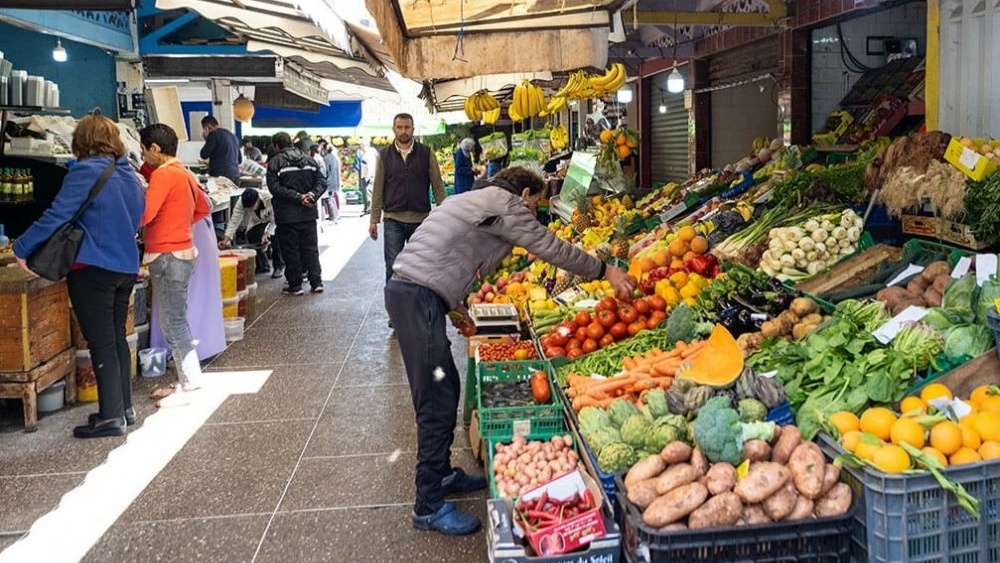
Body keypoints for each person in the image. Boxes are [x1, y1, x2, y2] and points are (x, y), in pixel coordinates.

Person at [386, 166, 635, 535]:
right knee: (436, 398)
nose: (534, 211)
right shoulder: (507, 203)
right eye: (535, 202)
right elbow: (550, 246)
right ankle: (428, 504)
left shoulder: (474, 198)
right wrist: (604, 270)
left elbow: (442, 251)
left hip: (414, 293)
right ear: (525, 193)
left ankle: (440, 474)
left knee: (447, 383)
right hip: (417, 298)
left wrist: (454, 306)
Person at [13, 114, 145, 438]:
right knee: (115, 338)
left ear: (81, 142)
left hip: (93, 269)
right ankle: (123, 408)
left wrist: (23, 246)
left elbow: (58, 214)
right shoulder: (131, 176)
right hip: (125, 267)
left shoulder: (86, 171)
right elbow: (139, 217)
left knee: (100, 341)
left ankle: (111, 417)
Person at [140, 123, 212, 406]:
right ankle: (187, 378)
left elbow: (145, 215)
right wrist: (178, 223)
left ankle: (190, 383)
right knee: (176, 319)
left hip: (166, 254)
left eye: (145, 150)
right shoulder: (185, 172)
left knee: (173, 322)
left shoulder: (162, 175)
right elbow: (203, 208)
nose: (144, 156)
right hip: (183, 250)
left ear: (155, 149)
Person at [369, 113, 446, 287]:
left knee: (421, 267)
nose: (403, 131)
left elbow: (438, 186)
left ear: (413, 129)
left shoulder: (426, 154)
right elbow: (378, 189)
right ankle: (395, 310)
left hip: (421, 220)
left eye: (407, 127)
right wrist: (374, 220)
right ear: (394, 129)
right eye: (400, 127)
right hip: (393, 220)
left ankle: (418, 307)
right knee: (393, 266)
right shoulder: (384, 155)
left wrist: (445, 215)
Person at [267, 132, 326, 295]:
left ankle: (295, 285)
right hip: (308, 213)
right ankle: (316, 282)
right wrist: (311, 196)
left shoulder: (275, 163)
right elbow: (322, 182)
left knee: (291, 250)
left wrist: (298, 198)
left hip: (287, 216)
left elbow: (275, 188)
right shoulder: (309, 160)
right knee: (311, 248)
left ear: (277, 146)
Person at [219, 188, 276, 274]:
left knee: (276, 237)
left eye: (252, 207)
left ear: (258, 200)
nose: (250, 209)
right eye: (248, 208)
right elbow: (234, 221)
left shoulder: (270, 198)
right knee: (252, 235)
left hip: (274, 219)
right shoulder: (241, 202)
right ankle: (262, 266)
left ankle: (278, 266)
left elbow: (275, 219)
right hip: (256, 220)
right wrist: (226, 239)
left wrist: (267, 233)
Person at [199, 116, 242, 186]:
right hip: (235, 176)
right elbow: (239, 160)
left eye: (204, 129)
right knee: (232, 196)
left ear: (208, 127)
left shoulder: (213, 135)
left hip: (221, 176)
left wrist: (206, 139)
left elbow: (204, 154)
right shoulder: (233, 136)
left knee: (219, 197)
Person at [320, 140, 341, 223]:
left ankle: (333, 216)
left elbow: (326, 171)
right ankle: (334, 215)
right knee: (330, 199)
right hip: (334, 181)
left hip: (329, 182)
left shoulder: (326, 159)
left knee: (328, 199)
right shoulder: (333, 157)